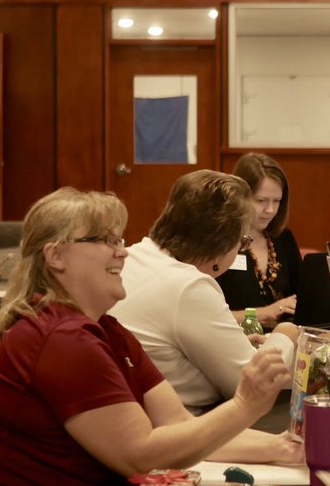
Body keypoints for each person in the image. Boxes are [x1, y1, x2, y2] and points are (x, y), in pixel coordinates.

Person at [0, 188, 296, 486]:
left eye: (120, 239)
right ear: (56, 255)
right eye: (104, 240)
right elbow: (141, 456)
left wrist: (286, 447)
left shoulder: (107, 330)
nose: (123, 251)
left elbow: (177, 427)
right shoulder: (60, 340)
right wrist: (246, 405)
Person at [111, 170, 299, 414]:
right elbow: (250, 385)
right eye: (242, 241)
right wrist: (285, 335)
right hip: (180, 427)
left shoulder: (136, 255)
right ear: (224, 239)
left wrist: (232, 344)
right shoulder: (189, 286)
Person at [216, 153, 301, 328]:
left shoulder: (283, 238)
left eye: (276, 201)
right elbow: (210, 317)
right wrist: (265, 313)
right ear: (239, 197)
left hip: (284, 337)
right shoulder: (219, 241)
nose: (270, 210)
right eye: (261, 201)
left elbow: (302, 297)